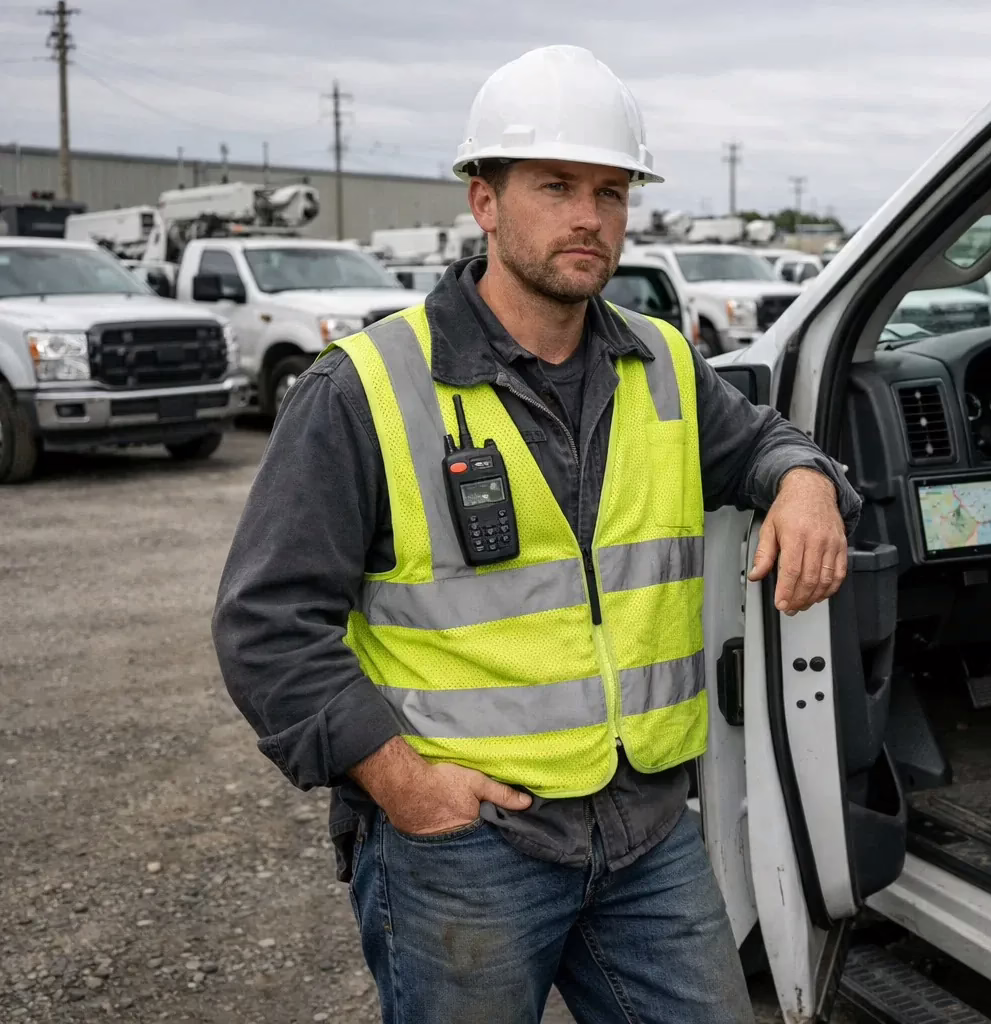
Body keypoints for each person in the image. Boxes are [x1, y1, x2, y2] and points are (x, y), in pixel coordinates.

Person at [212, 45, 860, 1024]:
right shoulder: (368, 386)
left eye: (611, 190)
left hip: (646, 828)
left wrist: (806, 480)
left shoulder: (663, 364)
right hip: (469, 842)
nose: (589, 217)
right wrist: (400, 779)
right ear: (485, 202)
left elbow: (762, 443)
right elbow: (267, 623)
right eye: (556, 185)